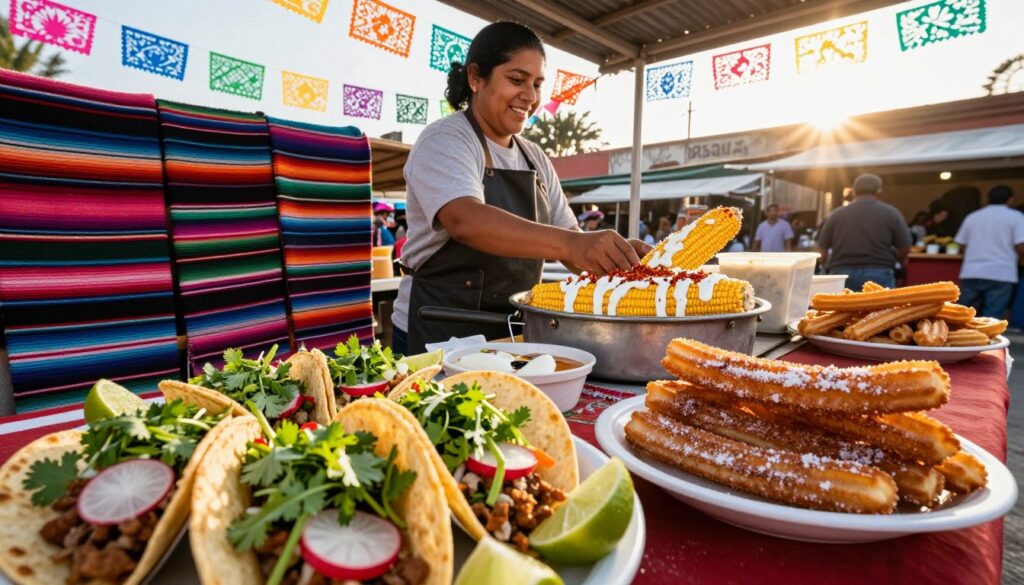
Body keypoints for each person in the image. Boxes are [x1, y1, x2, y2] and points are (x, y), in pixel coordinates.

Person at [392, 22, 650, 354]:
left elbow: (569, 236)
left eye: (537, 84)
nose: (530, 97)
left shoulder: (534, 157)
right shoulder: (446, 139)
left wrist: (612, 257)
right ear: (475, 78)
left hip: (513, 333)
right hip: (440, 329)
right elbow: (465, 220)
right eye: (517, 80)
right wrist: (573, 244)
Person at [816, 174, 911, 290]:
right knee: (882, 308)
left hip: (841, 272)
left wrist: (824, 266)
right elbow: (905, 248)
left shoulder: (836, 215)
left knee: (841, 308)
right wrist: (896, 258)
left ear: (854, 192)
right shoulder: (891, 213)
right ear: (879, 191)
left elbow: (822, 248)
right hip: (879, 272)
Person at [954, 185, 1024, 318]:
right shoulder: (1016, 217)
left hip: (972, 271)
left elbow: (961, 244)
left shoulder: (973, 217)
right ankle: (986, 338)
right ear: (1010, 199)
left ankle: (960, 337)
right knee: (991, 317)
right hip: (1002, 272)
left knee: (964, 315)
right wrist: (1020, 259)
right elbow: (1021, 245)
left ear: (988, 199)